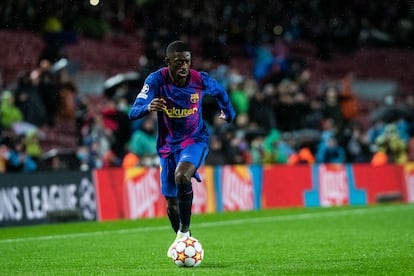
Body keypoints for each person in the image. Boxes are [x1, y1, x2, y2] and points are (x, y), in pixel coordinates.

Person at [128, 40, 236, 258]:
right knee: (170, 202)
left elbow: (221, 92)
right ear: (168, 62)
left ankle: (184, 232)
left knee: (182, 175)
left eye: (187, 61)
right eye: (178, 62)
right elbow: (133, 111)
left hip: (194, 140)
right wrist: (148, 107)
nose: (184, 66)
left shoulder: (200, 79)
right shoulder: (156, 80)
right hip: (168, 146)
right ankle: (183, 238)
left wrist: (229, 113)